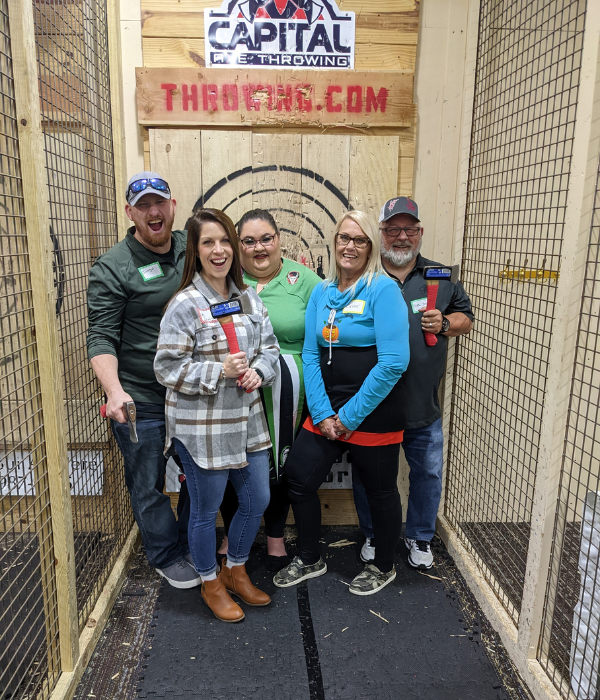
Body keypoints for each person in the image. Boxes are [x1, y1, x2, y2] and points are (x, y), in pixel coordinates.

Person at [273, 210, 410, 596]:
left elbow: (394, 362)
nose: (350, 246)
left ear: (371, 246)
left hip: (375, 409)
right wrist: (322, 413)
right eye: (344, 238)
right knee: (298, 480)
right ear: (334, 243)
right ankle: (311, 557)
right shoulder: (322, 291)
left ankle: (383, 565)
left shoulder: (383, 290)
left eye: (360, 240)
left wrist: (349, 417)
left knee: (381, 491)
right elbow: (312, 354)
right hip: (326, 409)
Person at [154, 208, 279, 623]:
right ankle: (210, 583)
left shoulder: (250, 299)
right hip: (202, 427)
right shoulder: (185, 305)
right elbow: (166, 368)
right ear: (196, 250)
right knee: (205, 512)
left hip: (246, 424)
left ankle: (235, 569)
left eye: (225, 240)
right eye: (208, 242)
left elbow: (270, 351)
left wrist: (258, 372)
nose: (219, 249)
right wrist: (217, 371)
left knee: (257, 497)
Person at [87, 171, 200, 589]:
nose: (154, 211)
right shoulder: (113, 267)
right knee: (147, 482)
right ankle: (165, 554)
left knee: (200, 475)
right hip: (142, 396)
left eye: (161, 202)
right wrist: (114, 392)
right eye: (144, 204)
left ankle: (193, 542)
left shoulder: (192, 245)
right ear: (130, 211)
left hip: (190, 390)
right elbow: (100, 335)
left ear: (172, 207)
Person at [353, 196, 474, 570]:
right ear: (382, 234)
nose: (401, 237)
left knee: (427, 473)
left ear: (420, 232)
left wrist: (445, 323)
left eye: (408, 229)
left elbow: (465, 318)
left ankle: (419, 537)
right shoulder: (364, 276)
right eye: (392, 229)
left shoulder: (440, 276)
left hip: (424, 403)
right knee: (369, 474)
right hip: (374, 403)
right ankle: (373, 533)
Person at [218, 209, 321, 571]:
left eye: (266, 239)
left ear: (278, 240)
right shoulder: (225, 279)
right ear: (238, 246)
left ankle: (275, 535)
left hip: (288, 389)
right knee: (236, 458)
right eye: (248, 240)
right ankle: (233, 533)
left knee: (280, 461)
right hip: (237, 385)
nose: (258, 247)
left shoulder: (305, 280)